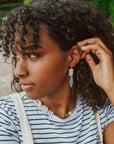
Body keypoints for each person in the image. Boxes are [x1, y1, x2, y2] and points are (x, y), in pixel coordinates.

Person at [0, 0, 114, 143]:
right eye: (17, 56)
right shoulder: (7, 115)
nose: (18, 71)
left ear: (72, 57)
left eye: (33, 55)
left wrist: (111, 86)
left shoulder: (102, 110)